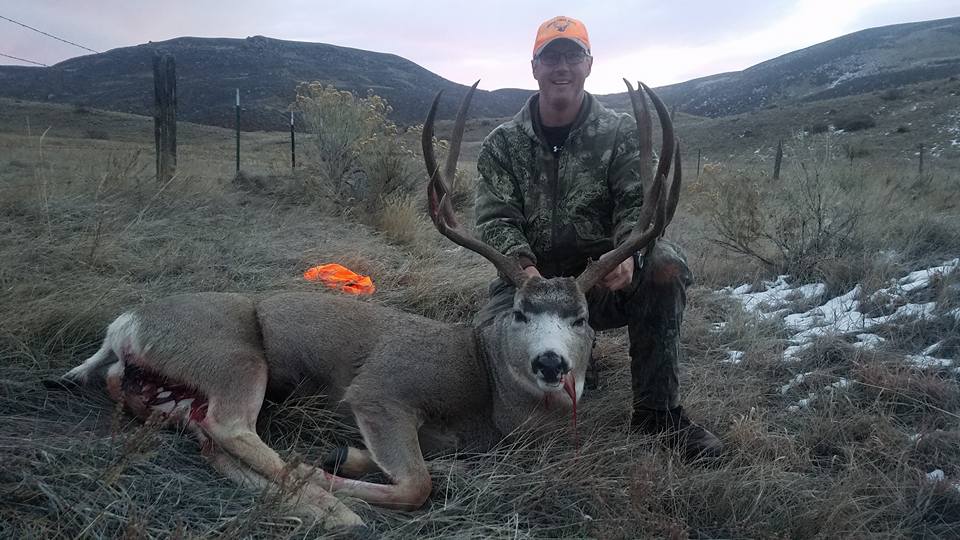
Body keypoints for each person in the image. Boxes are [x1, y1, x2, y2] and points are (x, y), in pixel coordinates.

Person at [473, 15, 722, 459]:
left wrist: (628, 255)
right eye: (551, 57)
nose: (561, 67)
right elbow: (497, 218)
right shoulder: (502, 144)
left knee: (664, 266)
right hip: (527, 285)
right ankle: (518, 404)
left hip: (599, 284)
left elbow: (637, 205)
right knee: (479, 351)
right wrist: (524, 271)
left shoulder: (622, 133)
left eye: (572, 56)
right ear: (534, 67)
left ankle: (657, 415)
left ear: (589, 64)